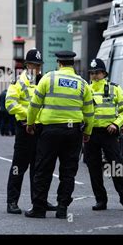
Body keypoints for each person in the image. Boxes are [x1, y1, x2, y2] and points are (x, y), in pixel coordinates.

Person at [24, 51, 94, 219]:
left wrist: (30, 123)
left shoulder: (49, 78)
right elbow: (90, 112)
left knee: (43, 169)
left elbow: (34, 104)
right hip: (73, 132)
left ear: (59, 63)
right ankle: (62, 208)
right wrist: (87, 132)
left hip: (50, 132)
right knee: (68, 172)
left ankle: (39, 209)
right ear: (72, 64)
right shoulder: (83, 84)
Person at [5, 48, 57, 215]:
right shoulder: (18, 82)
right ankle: (12, 202)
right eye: (33, 65)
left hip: (42, 130)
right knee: (18, 167)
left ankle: (39, 201)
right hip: (25, 129)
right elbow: (10, 104)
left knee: (39, 168)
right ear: (27, 65)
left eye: (39, 65)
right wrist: (29, 116)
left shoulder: (44, 81)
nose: (36, 68)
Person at [84, 58, 123, 212]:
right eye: (92, 73)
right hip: (91, 133)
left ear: (104, 73)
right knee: (94, 168)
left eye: (97, 72)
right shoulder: (85, 89)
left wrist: (116, 124)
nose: (94, 75)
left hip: (109, 132)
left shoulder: (114, 89)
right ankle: (101, 200)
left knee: (116, 166)